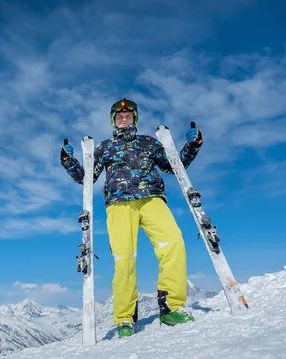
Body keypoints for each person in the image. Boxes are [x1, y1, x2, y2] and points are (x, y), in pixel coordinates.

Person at [60, 98, 204, 338]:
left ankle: (171, 308)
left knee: (174, 243)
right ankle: (125, 318)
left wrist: (193, 146)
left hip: (152, 198)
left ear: (134, 118)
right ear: (113, 120)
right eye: (119, 116)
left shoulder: (148, 142)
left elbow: (173, 166)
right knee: (124, 258)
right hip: (118, 204)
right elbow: (86, 178)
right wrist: (68, 161)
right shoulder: (104, 147)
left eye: (128, 115)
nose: (124, 118)